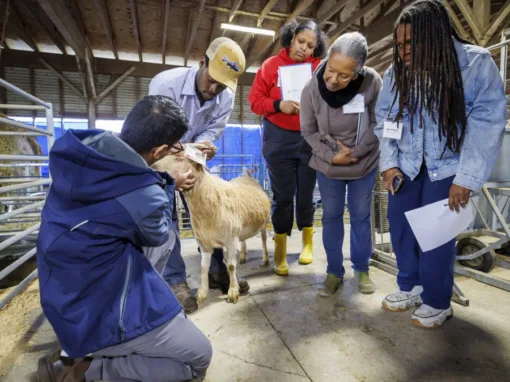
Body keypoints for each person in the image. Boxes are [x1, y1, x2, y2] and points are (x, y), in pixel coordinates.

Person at [36, 96, 212, 382]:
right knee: (199, 357)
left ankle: (76, 353)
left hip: (61, 290)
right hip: (96, 308)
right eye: (176, 148)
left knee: (154, 238)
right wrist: (166, 183)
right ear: (160, 151)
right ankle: (84, 371)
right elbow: (155, 233)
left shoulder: (82, 152)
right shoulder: (145, 195)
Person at [375, 0, 507, 328]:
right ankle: (411, 286)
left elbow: (487, 122)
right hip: (406, 164)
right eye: (400, 44)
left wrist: (467, 176)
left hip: (447, 166)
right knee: (402, 227)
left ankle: (437, 300)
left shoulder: (474, 64)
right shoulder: (397, 71)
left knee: (435, 235)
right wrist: (389, 163)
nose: (403, 51)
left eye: (411, 44)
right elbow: (384, 117)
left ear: (434, 36)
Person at [149, 37, 248, 313]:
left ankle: (218, 271)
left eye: (222, 85)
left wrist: (203, 147)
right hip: (162, 150)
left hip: (193, 154)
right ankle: (174, 281)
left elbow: (212, 130)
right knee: (165, 208)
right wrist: (174, 173)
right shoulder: (164, 84)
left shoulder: (225, 97)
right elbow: (158, 134)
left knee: (211, 206)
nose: (214, 89)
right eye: (212, 80)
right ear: (201, 63)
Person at [300, 32, 382, 297]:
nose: (334, 80)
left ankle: (361, 268)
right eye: (331, 71)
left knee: (360, 216)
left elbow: (378, 120)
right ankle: (334, 271)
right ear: (327, 60)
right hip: (330, 166)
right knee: (332, 216)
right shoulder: (311, 89)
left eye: (344, 76)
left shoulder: (372, 83)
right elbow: (309, 131)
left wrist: (357, 151)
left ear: (357, 73)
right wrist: (334, 153)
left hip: (363, 162)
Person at [248, 20, 328, 276]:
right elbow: (254, 101)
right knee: (283, 197)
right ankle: (280, 250)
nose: (304, 48)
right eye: (301, 42)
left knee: (305, 194)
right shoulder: (270, 66)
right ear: (291, 39)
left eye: (311, 46)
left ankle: (307, 243)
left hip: (308, 138)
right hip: (278, 138)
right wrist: (278, 105)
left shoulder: (319, 69)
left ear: (316, 49)